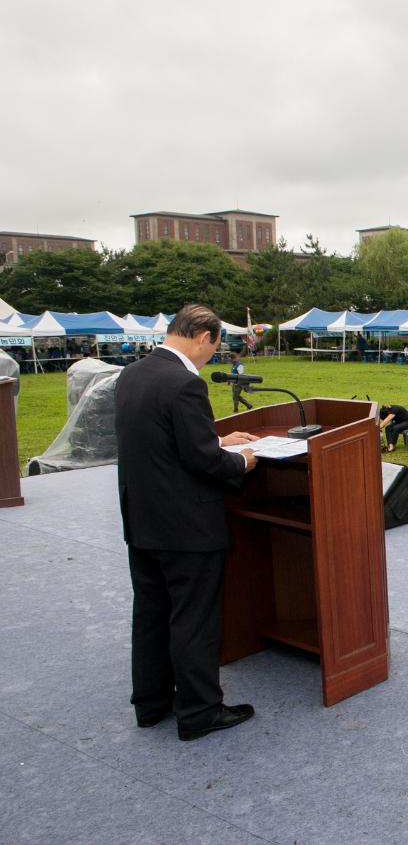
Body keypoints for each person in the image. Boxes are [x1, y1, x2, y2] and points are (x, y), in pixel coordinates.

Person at [114, 303, 258, 742]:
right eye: (215, 347)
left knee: (152, 613)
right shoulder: (184, 384)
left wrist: (215, 436)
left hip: (142, 519)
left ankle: (151, 704)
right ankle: (199, 711)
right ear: (204, 336)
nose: (213, 355)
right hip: (186, 525)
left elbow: (161, 439)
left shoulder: (132, 374)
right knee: (193, 617)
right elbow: (202, 461)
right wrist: (241, 459)